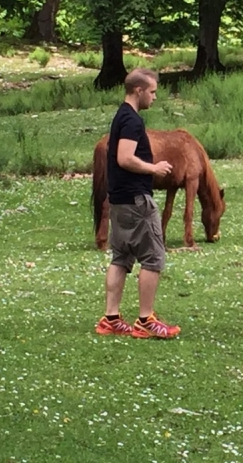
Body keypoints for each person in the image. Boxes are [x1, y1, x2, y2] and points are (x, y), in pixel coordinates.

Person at [95, 68, 180, 339]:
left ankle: (111, 318)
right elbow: (125, 158)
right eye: (152, 92)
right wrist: (153, 169)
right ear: (139, 90)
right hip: (136, 200)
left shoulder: (120, 115)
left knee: (120, 257)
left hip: (118, 199)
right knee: (153, 258)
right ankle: (145, 320)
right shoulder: (132, 121)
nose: (155, 97)